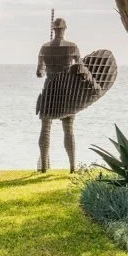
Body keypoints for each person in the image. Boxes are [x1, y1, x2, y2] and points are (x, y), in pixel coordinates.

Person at [35, 17, 84, 172]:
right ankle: (72, 167)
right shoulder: (72, 47)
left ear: (53, 30)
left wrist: (48, 66)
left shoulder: (44, 48)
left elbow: (39, 73)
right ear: (64, 29)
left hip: (49, 91)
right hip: (66, 92)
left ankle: (43, 167)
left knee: (45, 127)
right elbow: (81, 70)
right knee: (68, 129)